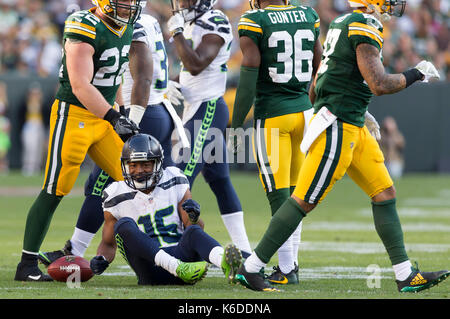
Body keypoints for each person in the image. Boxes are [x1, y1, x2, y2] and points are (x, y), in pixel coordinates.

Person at [235, 0, 450, 292]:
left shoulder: (343, 22)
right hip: (339, 126)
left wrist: (359, 110)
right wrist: (417, 73)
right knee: (303, 200)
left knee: (384, 192)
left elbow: (322, 78)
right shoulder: (362, 26)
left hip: (352, 121)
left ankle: (404, 274)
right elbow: (378, 84)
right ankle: (251, 268)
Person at [37, 1, 189, 266]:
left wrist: (133, 120)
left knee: (102, 187)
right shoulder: (150, 20)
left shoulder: (127, 22)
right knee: (163, 185)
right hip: (157, 109)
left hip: (139, 112)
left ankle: (76, 250)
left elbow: (142, 76)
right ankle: (183, 243)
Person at [14, 0, 141, 282]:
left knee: (137, 180)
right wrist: (113, 116)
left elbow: (115, 76)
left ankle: (146, 254)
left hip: (105, 116)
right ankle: (27, 264)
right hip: (74, 116)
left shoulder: (126, 26)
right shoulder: (84, 24)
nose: (130, 5)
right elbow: (80, 84)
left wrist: (120, 110)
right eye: (124, 0)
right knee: (55, 188)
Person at [228, 0, 323, 285]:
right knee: (296, 195)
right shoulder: (308, 14)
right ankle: (290, 264)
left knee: (279, 196)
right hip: (305, 113)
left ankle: (285, 268)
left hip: (274, 116)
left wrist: (235, 126)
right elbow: (321, 67)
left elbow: (247, 80)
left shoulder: (254, 20)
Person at [89, 133, 243, 285]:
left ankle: (226, 262)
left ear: (158, 163)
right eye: (133, 165)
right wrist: (102, 259)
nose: (139, 170)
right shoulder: (115, 193)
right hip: (150, 266)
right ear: (125, 165)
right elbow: (108, 244)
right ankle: (177, 267)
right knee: (123, 225)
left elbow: (194, 228)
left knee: (194, 232)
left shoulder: (174, 178)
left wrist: (194, 217)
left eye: (145, 164)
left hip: (185, 260)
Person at [167, 0, 252, 258]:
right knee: (219, 180)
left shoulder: (214, 21)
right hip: (197, 108)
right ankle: (246, 252)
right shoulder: (192, 23)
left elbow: (196, 64)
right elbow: (189, 73)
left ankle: (177, 245)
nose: (181, 4)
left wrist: (177, 33)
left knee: (180, 181)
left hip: (207, 110)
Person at [21, 83, 46, 176]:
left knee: (38, 147)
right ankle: (28, 166)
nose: (35, 96)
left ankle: (36, 166)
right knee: (29, 146)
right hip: (29, 126)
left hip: (39, 126)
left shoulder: (42, 104)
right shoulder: (25, 104)